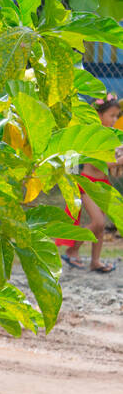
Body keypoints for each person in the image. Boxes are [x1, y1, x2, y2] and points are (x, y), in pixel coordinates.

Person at [58, 94, 122, 273]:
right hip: (88, 183)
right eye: (111, 115)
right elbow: (98, 162)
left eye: (117, 116)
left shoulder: (110, 136)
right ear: (100, 115)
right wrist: (119, 160)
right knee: (99, 223)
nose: (114, 119)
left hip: (102, 183)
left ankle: (95, 261)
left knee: (100, 230)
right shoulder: (93, 134)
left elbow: (111, 165)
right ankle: (72, 250)